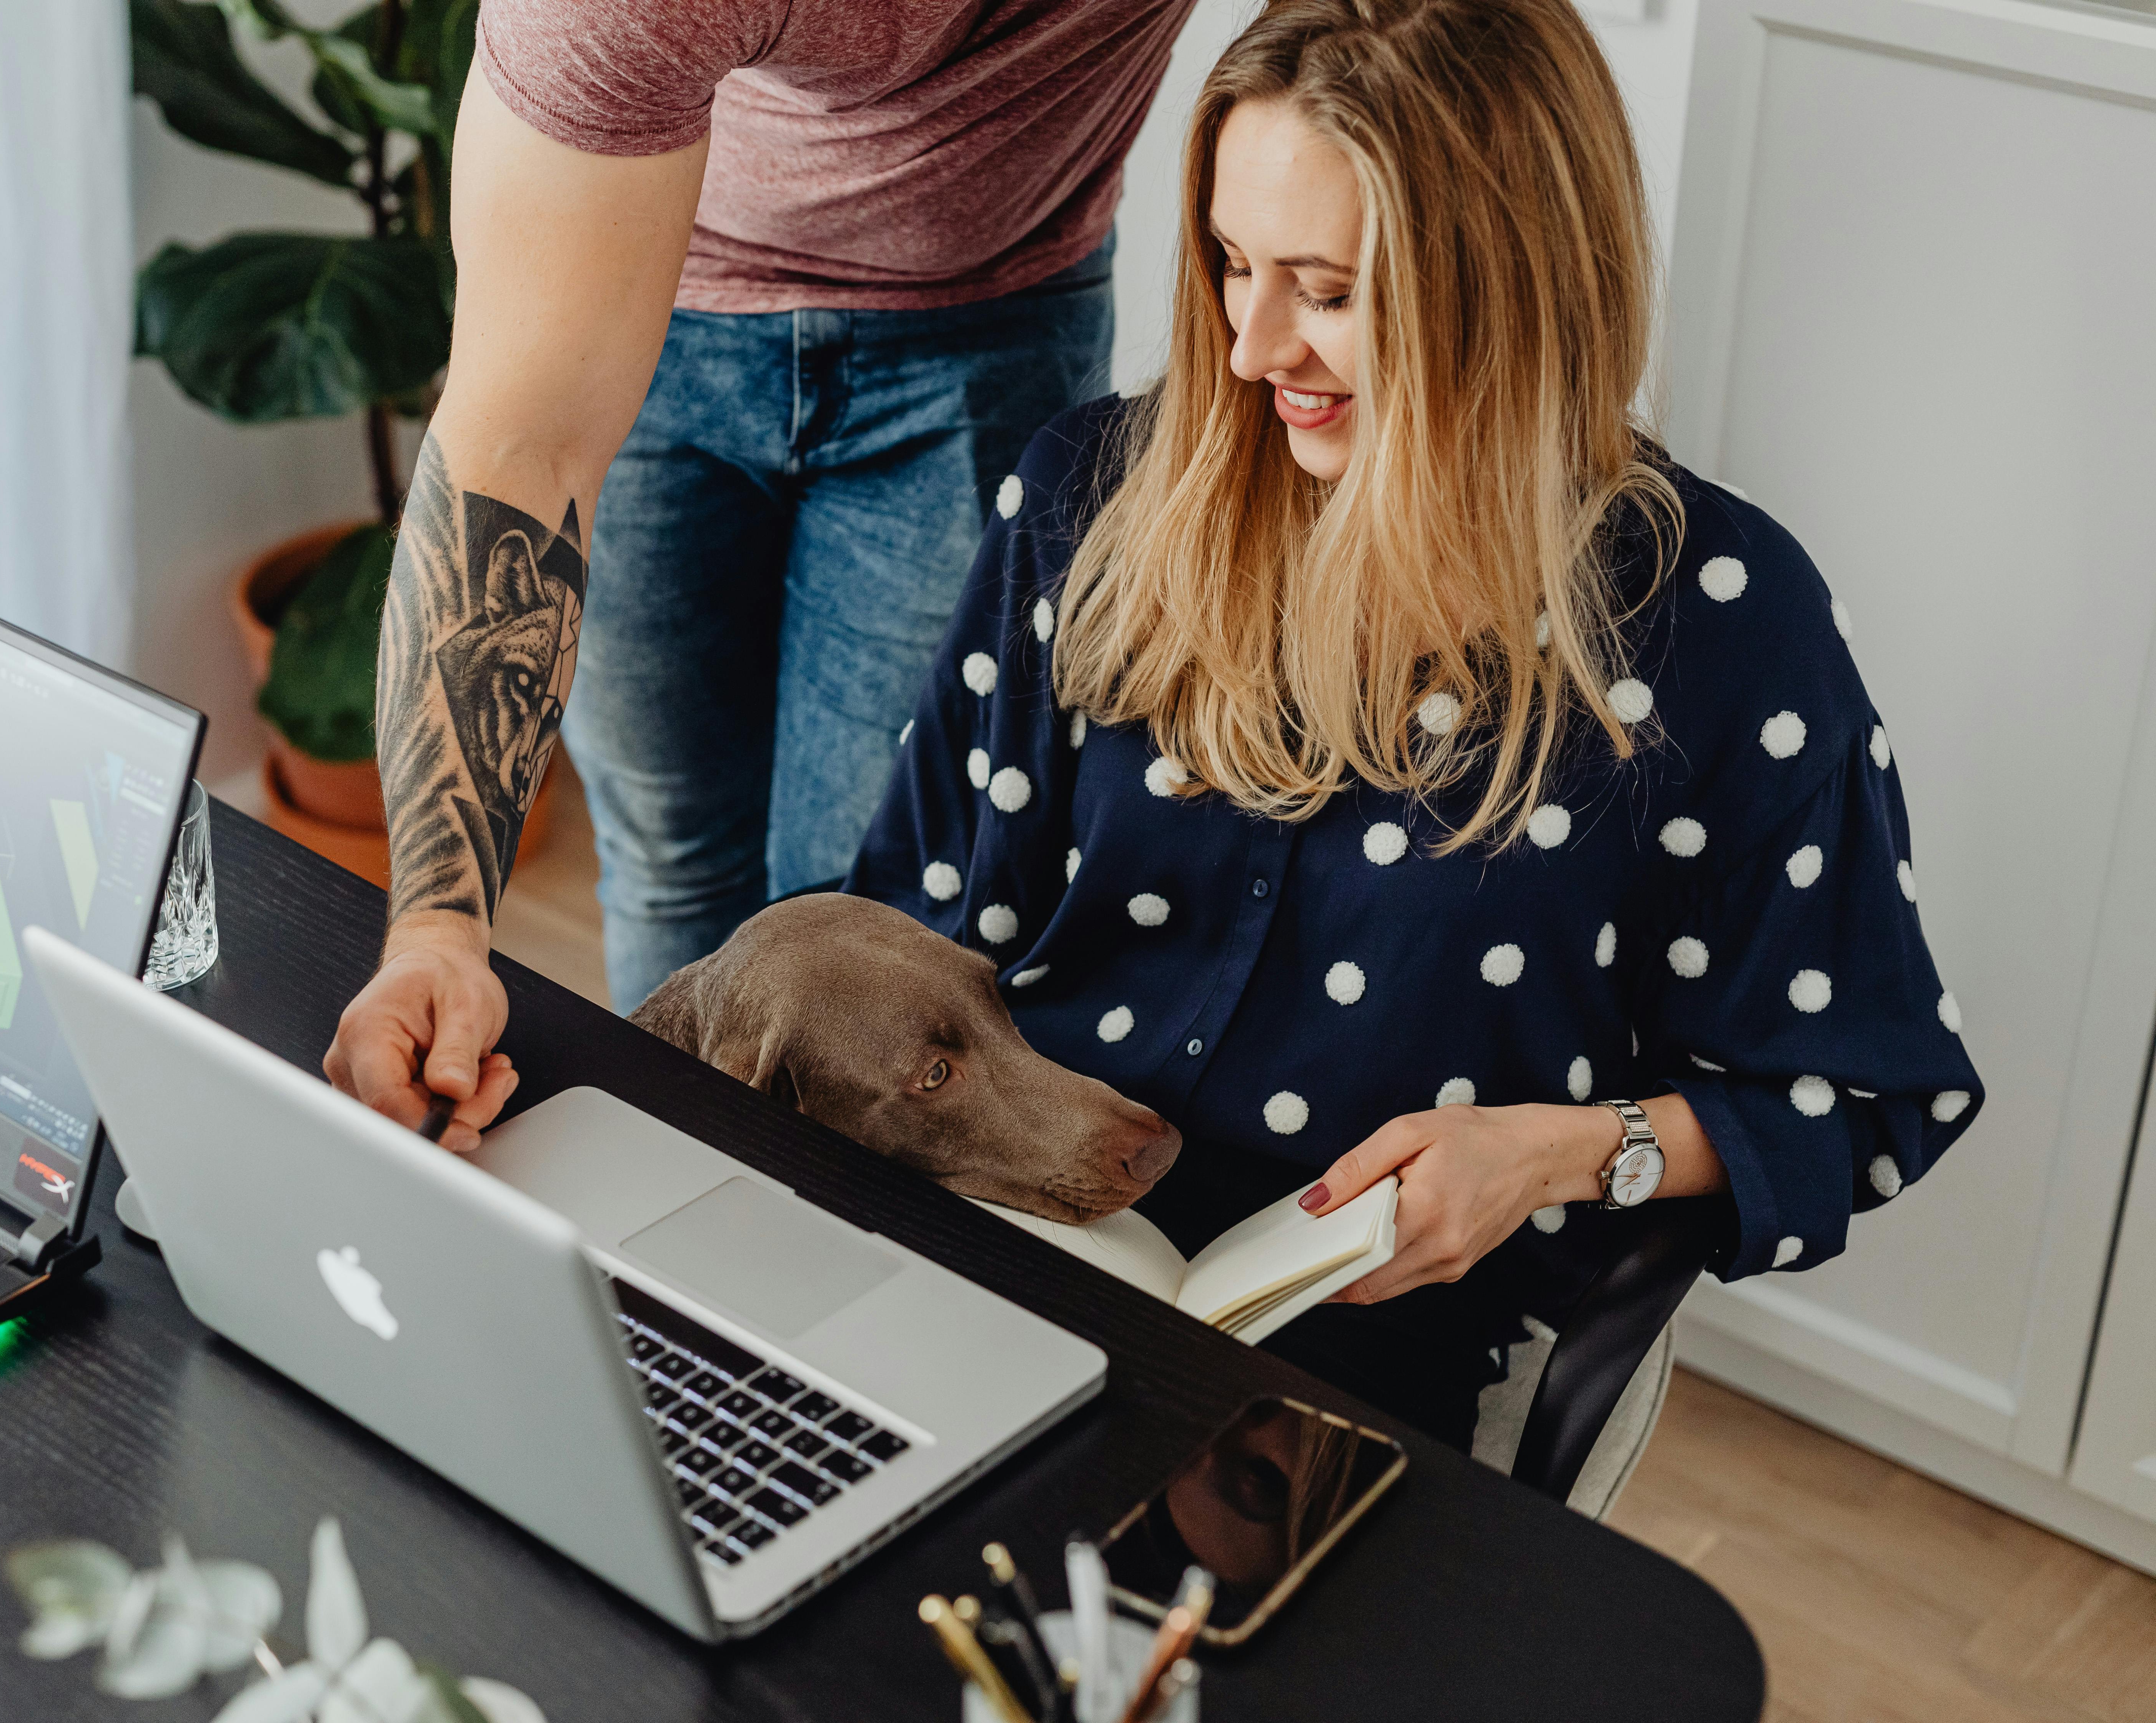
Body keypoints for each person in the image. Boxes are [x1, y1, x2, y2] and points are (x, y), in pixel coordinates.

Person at [843, 0, 1984, 1450]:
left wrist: (1556, 1156)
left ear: (1509, 291)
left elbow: (1863, 1095)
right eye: (1230, 264)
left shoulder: (1725, 631)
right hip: (1003, 1240)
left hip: (1358, 1371)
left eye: (1324, 291)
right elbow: (907, 919)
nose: (1251, 350)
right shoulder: (1092, 497)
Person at [325, 1, 1207, 1133]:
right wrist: (438, 935)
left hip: (991, 312)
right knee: (667, 849)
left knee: (869, 905)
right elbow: (518, 449)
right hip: (638, 282)